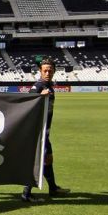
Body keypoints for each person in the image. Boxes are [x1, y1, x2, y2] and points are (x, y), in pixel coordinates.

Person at [23, 59, 70, 203]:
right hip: (37, 131)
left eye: (50, 70)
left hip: (45, 131)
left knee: (48, 159)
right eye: (45, 70)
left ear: (54, 71)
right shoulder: (38, 86)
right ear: (40, 71)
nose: (48, 73)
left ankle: (53, 188)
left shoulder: (49, 85)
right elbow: (26, 102)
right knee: (38, 160)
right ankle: (26, 194)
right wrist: (38, 96)